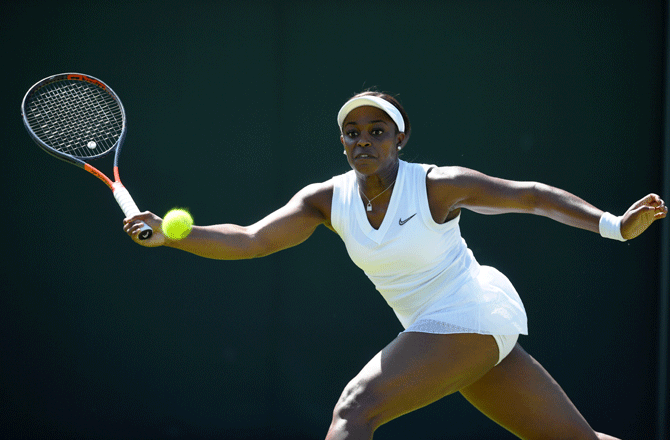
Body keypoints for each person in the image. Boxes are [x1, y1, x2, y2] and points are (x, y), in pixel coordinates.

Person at [124, 90, 667, 440]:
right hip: (444, 328)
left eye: (377, 130)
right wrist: (175, 237)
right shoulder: (323, 199)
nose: (364, 139)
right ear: (342, 143)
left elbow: (530, 196)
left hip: (470, 310)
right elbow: (249, 240)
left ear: (400, 138)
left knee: (355, 408)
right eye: (353, 131)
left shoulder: (437, 185)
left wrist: (613, 224)